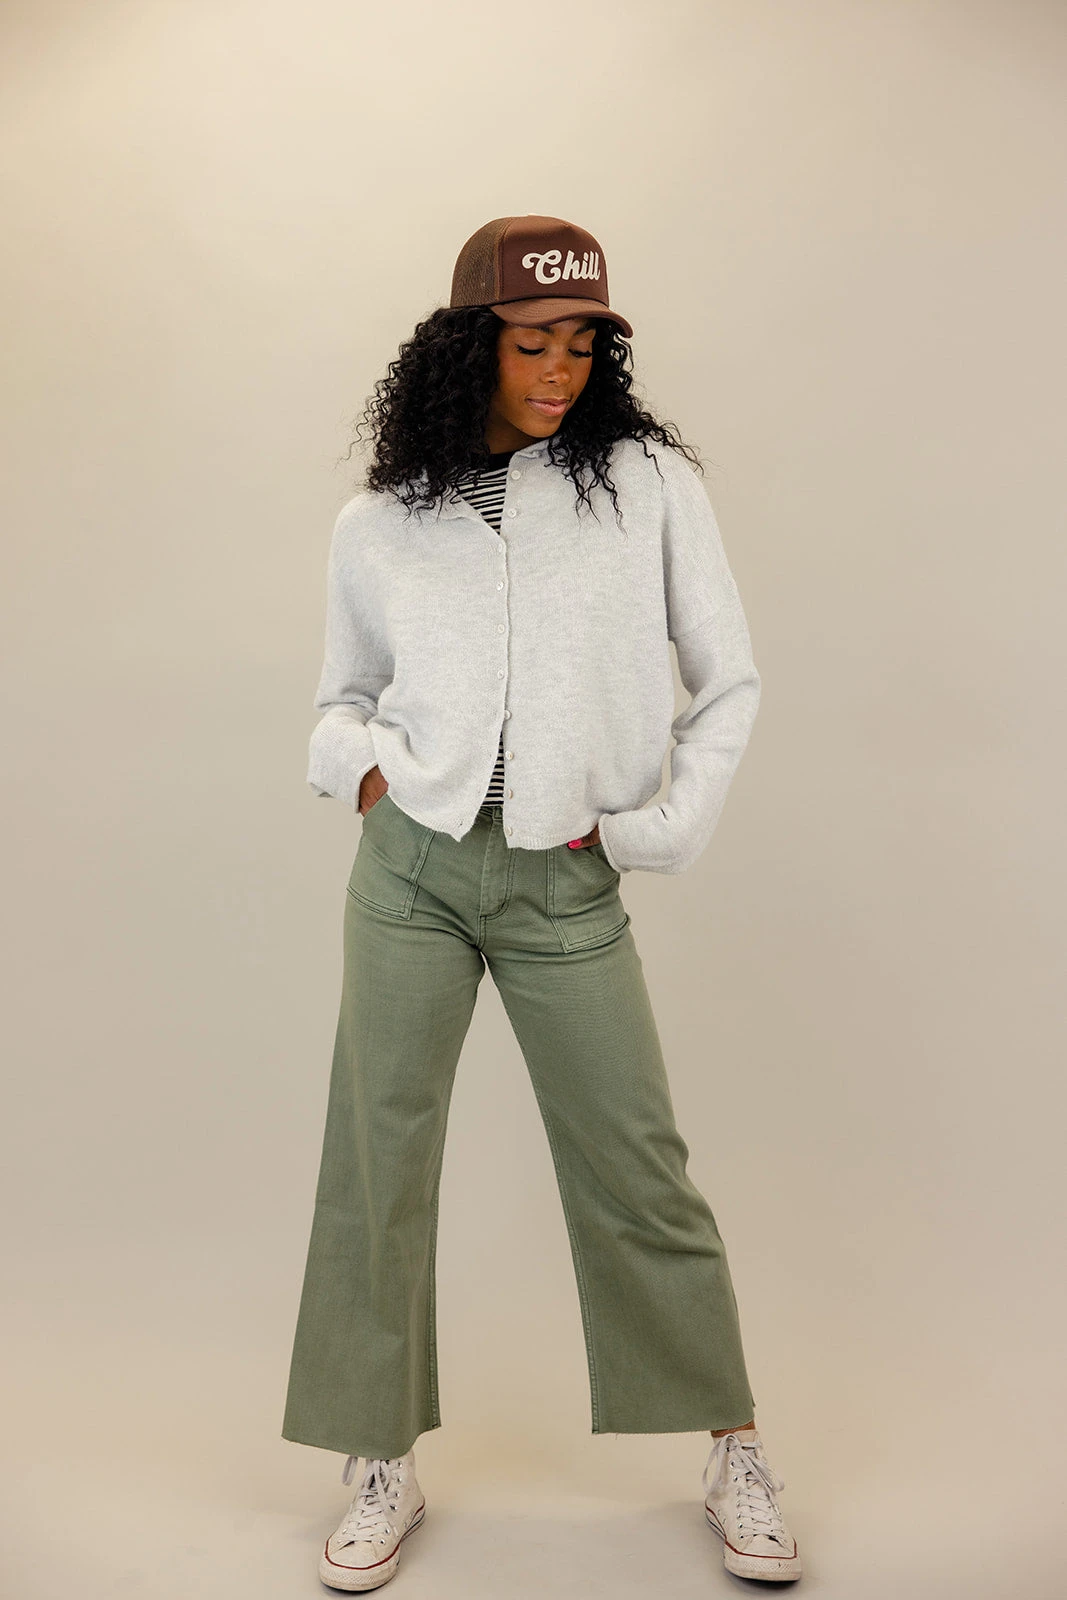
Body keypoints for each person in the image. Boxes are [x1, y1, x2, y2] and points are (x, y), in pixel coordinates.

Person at [281, 214, 802, 1589]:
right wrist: (366, 775)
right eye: (530, 344)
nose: (559, 369)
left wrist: (656, 830)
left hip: (567, 878)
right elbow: (338, 700)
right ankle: (379, 1455)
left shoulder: (647, 488)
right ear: (471, 349)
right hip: (411, 876)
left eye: (580, 344)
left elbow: (729, 679)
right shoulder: (381, 521)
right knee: (379, 1165)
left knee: (636, 1164)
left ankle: (734, 1446)